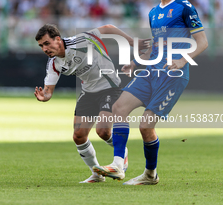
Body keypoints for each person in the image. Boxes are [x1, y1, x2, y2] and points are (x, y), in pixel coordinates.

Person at [93, 0, 208, 185]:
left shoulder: (185, 7)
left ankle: (150, 174)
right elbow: (156, 46)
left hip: (173, 76)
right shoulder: (154, 12)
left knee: (146, 127)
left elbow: (202, 42)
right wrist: (136, 62)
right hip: (150, 71)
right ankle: (118, 164)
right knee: (119, 107)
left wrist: (183, 60)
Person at [34, 24, 150, 183]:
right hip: (88, 92)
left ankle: (121, 153)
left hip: (110, 87)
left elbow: (108, 28)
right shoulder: (54, 63)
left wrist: (131, 42)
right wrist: (44, 96)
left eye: (47, 43)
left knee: (102, 131)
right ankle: (97, 174)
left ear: (58, 39)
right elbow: (48, 90)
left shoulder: (82, 40)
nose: (44, 49)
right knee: (79, 136)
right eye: (41, 46)